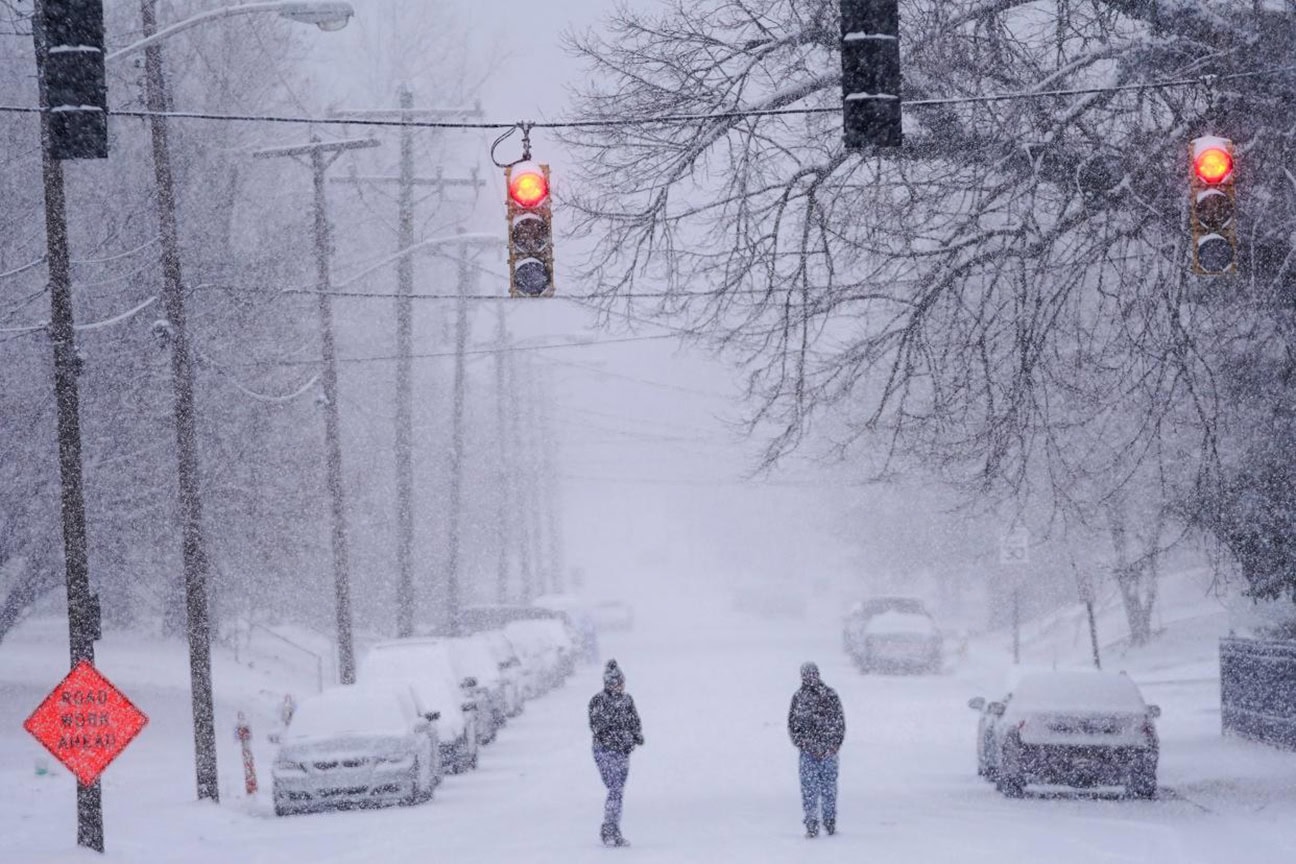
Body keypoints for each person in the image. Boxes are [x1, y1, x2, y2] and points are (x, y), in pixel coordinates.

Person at [588, 659, 644, 846]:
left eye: (622, 682)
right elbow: (597, 728)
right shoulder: (598, 701)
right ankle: (610, 827)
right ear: (608, 684)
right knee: (614, 788)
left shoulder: (627, 700)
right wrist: (618, 737)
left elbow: (634, 721)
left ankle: (611, 828)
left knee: (617, 790)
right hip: (604, 751)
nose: (620, 686)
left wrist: (636, 735)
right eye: (616, 683)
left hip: (623, 752)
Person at [787, 661, 845, 838]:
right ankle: (811, 823)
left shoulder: (830, 695)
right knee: (809, 790)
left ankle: (829, 821)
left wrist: (833, 746)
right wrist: (805, 745)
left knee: (829, 789)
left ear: (818, 675)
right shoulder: (799, 698)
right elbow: (793, 726)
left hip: (828, 752)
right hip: (808, 753)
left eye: (812, 674)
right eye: (806, 674)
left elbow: (839, 723)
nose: (810, 678)